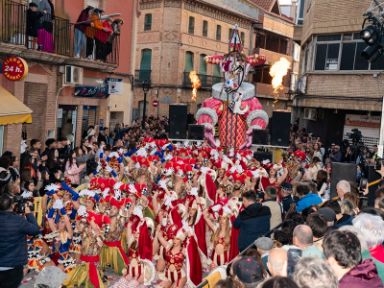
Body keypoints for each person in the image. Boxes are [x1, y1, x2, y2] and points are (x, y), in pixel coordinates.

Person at [0, 193, 40, 288]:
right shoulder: (18, 221)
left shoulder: (18, 220)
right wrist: (28, 213)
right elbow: (35, 230)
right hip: (13, 268)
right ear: (13, 205)